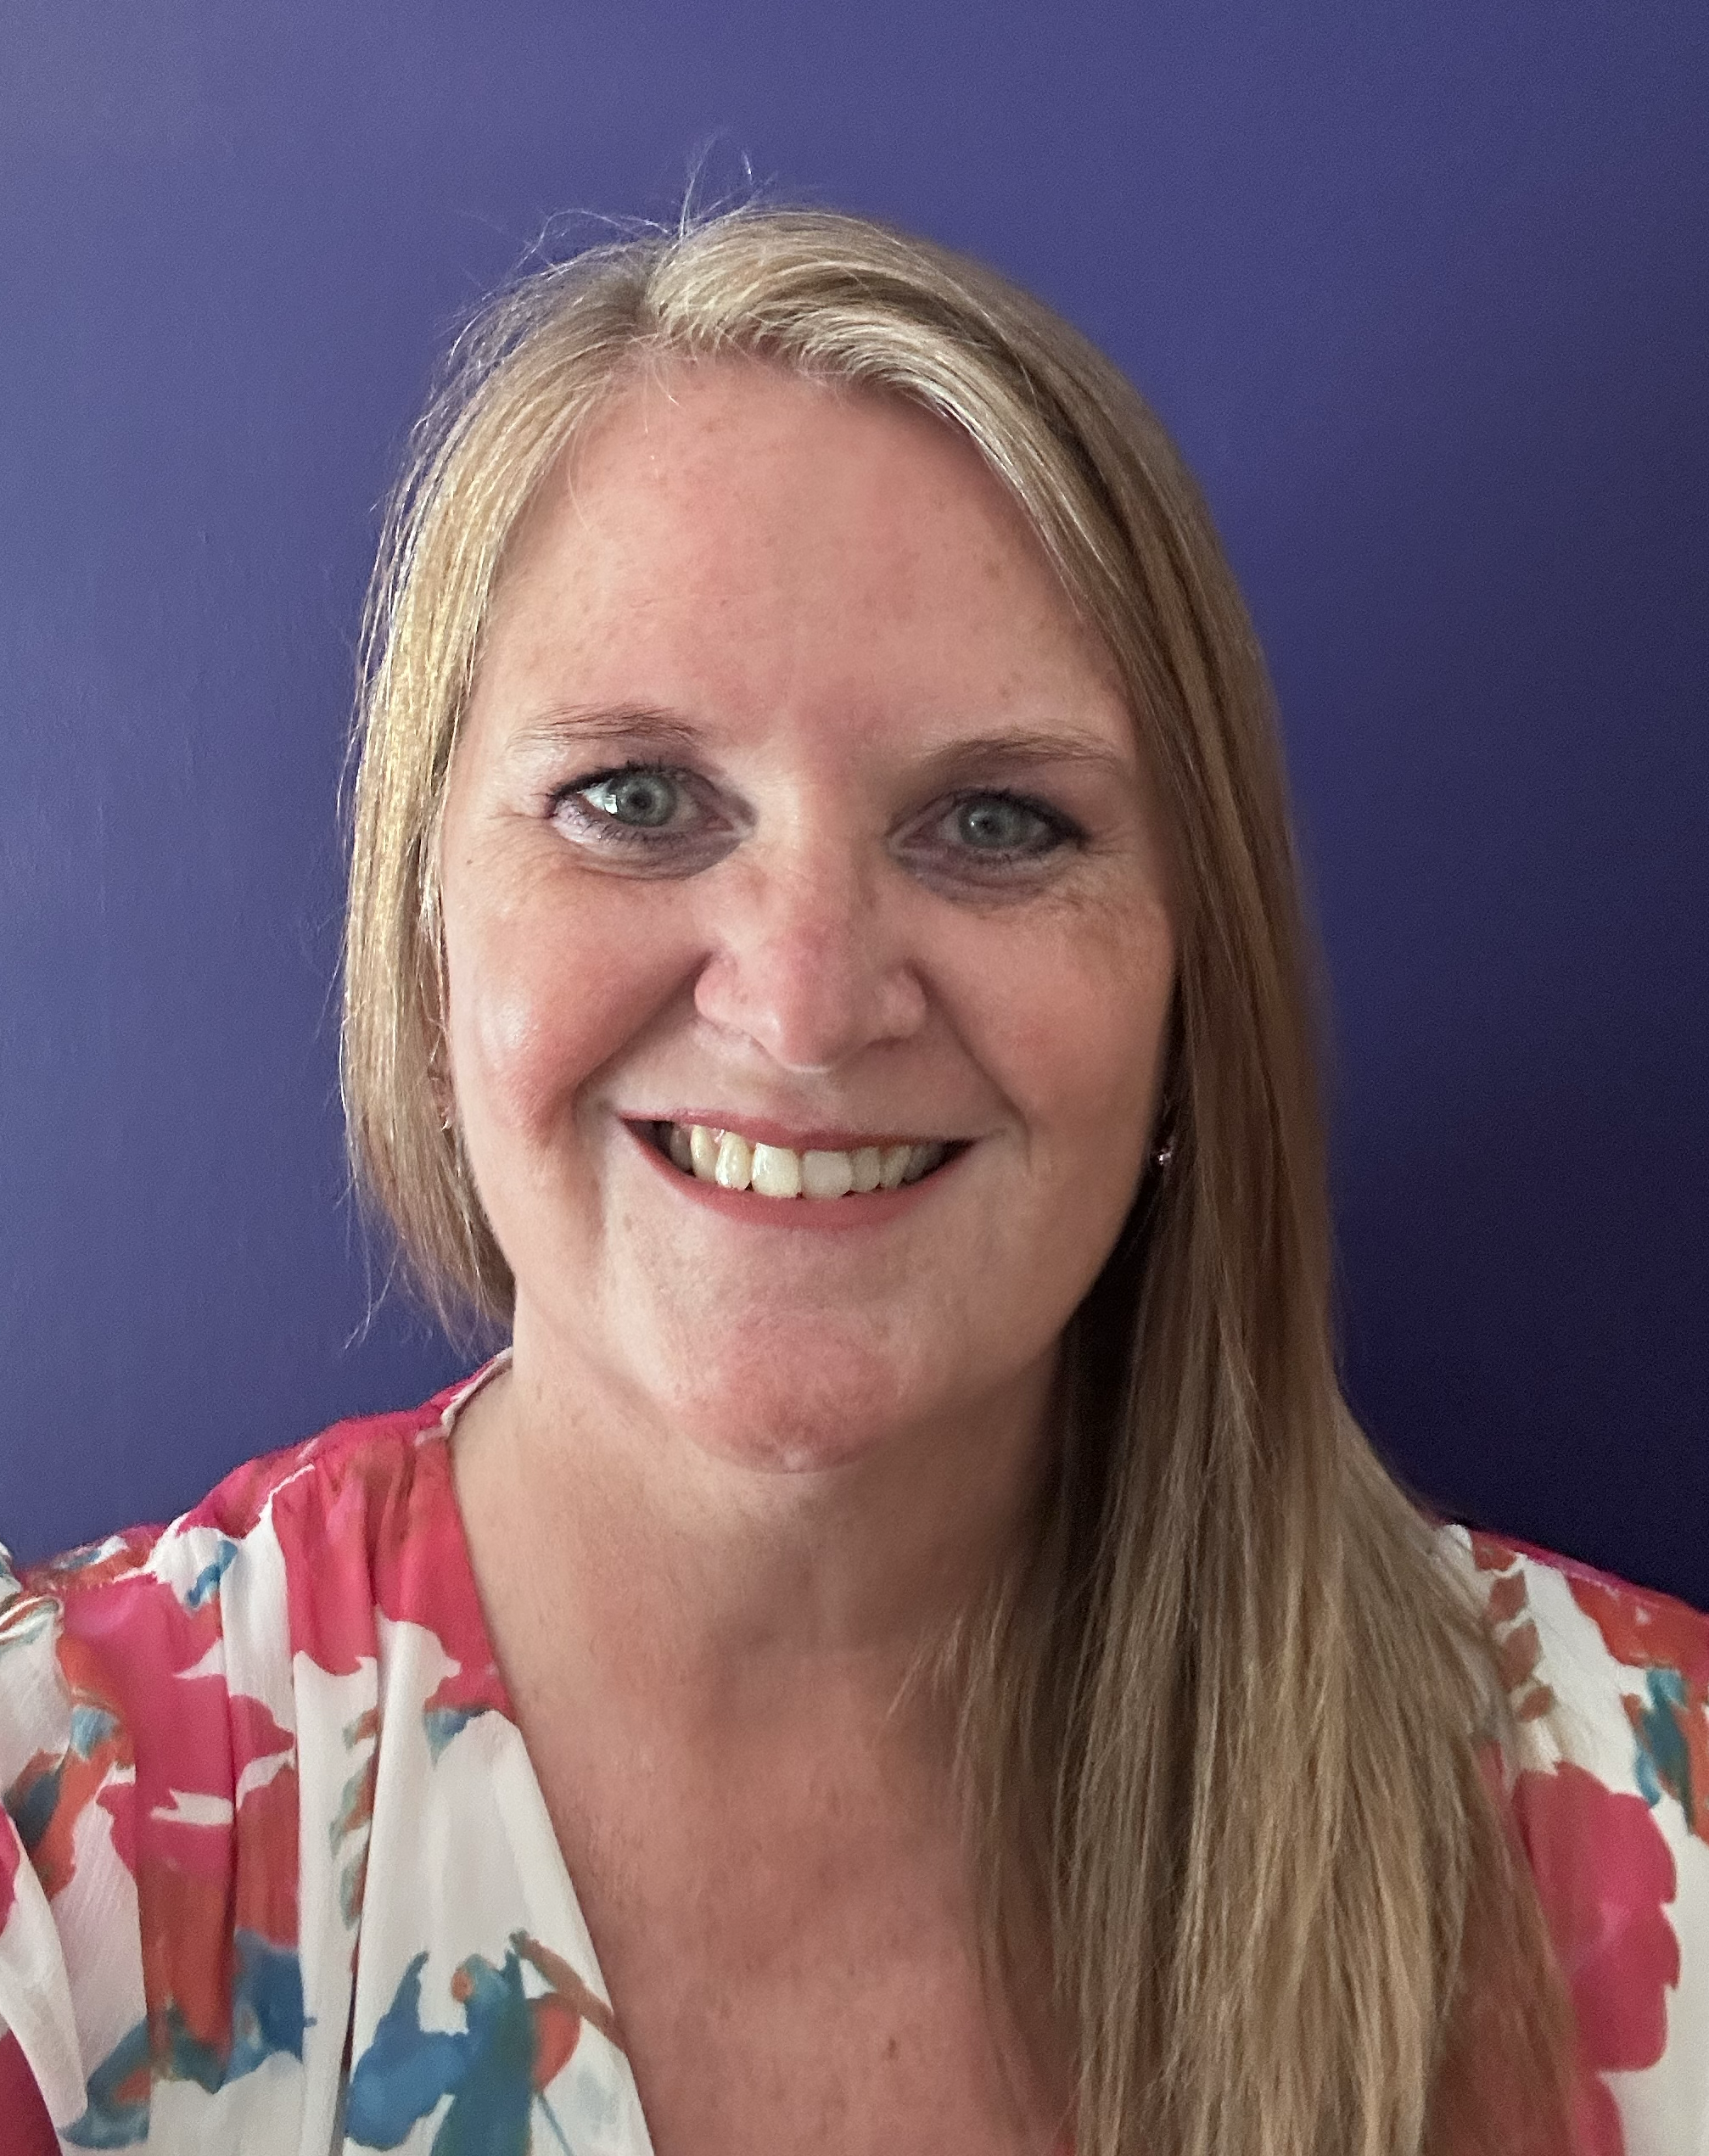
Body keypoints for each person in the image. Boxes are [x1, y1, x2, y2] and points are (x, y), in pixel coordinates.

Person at [0, 205, 1702, 2156]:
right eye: (633, 799)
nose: (802, 1007)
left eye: (996, 820)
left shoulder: (1653, 1818)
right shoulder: (64, 1847)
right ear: (426, 918)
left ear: (1181, 979)